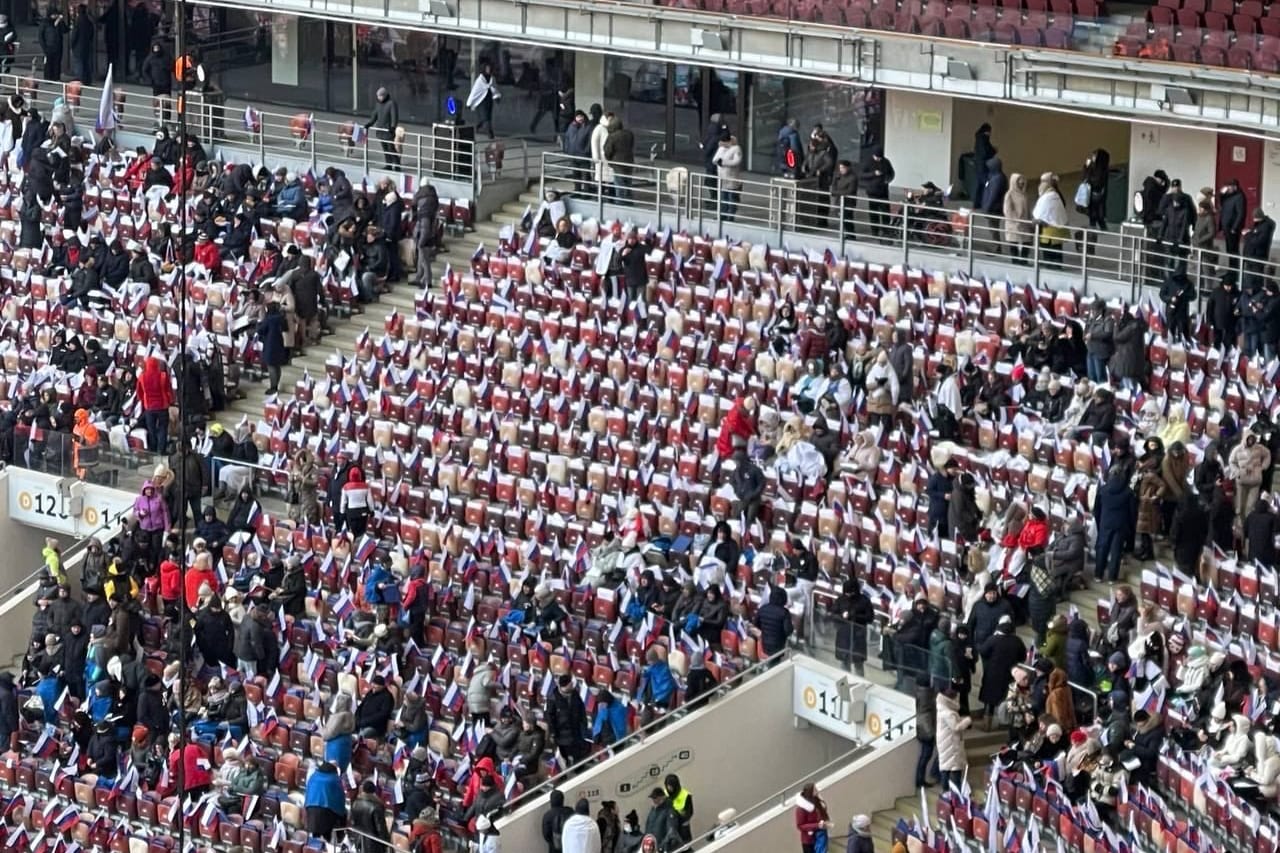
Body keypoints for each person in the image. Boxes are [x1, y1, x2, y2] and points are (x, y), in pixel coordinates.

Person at [546, 674, 589, 765]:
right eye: (571, 683)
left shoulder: (575, 693)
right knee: (565, 757)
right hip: (562, 735)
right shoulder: (553, 699)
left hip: (576, 731)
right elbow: (550, 717)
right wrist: (553, 733)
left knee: (579, 756)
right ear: (565, 685)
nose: (573, 684)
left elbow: (581, 709)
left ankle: (579, 769)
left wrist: (584, 723)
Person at [137, 356, 173, 453]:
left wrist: (143, 401)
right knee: (163, 428)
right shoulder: (163, 376)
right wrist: (170, 401)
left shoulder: (142, 377)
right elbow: (168, 390)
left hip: (149, 407)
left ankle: (153, 448)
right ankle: (161, 449)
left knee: (151, 429)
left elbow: (139, 392)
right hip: (163, 406)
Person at [1033, 172, 1069, 267]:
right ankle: (1056, 266)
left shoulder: (1048, 196)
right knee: (1056, 250)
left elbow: (1039, 213)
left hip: (1048, 231)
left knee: (1049, 252)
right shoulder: (1055, 194)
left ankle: (1052, 267)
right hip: (1056, 230)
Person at [304, 762, 347, 840]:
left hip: (311, 808)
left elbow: (307, 793)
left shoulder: (313, 777)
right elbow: (340, 798)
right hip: (326, 811)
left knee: (315, 836)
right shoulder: (334, 779)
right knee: (326, 835)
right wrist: (342, 813)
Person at [861, 148, 895, 239]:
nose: (878, 159)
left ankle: (886, 230)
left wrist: (887, 179)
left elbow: (891, 173)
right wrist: (873, 174)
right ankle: (875, 231)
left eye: (880, 158)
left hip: (883, 191)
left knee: (885, 212)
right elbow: (862, 174)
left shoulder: (886, 162)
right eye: (877, 157)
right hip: (872, 191)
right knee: (873, 213)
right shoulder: (868, 162)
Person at [364, 87, 401, 170]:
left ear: (384, 95)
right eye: (378, 96)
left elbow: (394, 116)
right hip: (381, 130)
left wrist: (393, 127)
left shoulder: (391, 103)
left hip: (388, 131)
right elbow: (375, 115)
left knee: (391, 148)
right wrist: (369, 124)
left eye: (380, 96)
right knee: (385, 149)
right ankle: (388, 164)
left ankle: (397, 165)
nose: (379, 98)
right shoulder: (378, 104)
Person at [712, 133, 744, 221]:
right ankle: (722, 214)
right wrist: (718, 162)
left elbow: (736, 161)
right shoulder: (721, 149)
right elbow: (714, 159)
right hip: (722, 178)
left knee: (731, 198)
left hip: (732, 178)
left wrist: (724, 162)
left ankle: (730, 216)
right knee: (723, 198)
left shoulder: (736, 149)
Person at [1003, 173, 1033, 261]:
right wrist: (1016, 219)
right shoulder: (1009, 195)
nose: (1021, 184)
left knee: (1027, 241)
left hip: (1025, 223)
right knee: (1014, 242)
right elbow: (1008, 210)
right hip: (1014, 224)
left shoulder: (1024, 194)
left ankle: (1024, 260)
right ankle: (1015, 260)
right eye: (1019, 183)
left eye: (1023, 183)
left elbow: (1027, 208)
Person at [794, 783, 831, 853]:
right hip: (809, 840)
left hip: (820, 835)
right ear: (810, 792)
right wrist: (818, 825)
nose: (817, 791)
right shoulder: (801, 809)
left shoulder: (816, 800)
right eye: (815, 790)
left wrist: (825, 823)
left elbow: (821, 814)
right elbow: (800, 825)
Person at [467, 63, 500, 140]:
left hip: (488, 101)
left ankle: (472, 131)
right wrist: (469, 103)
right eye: (487, 68)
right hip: (481, 102)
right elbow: (474, 92)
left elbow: (494, 89)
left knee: (484, 119)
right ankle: (491, 135)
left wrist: (496, 97)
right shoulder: (480, 80)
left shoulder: (492, 78)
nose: (489, 70)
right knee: (486, 119)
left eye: (490, 68)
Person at [1082, 148, 1111, 230]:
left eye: (1094, 156)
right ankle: (1100, 225)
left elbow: (1088, 178)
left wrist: (1086, 168)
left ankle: (1096, 225)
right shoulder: (1103, 167)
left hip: (1095, 193)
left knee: (1094, 210)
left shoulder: (1098, 169)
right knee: (1098, 210)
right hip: (1100, 193)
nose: (1092, 157)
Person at [340, 468, 372, 536]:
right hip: (363, 511)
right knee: (362, 532)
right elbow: (370, 500)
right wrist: (372, 510)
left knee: (352, 533)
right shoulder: (366, 486)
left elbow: (343, 502)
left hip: (351, 512)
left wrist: (342, 512)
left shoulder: (345, 487)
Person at [1220, 178, 1246, 257]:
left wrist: (1234, 228)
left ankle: (1234, 268)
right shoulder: (1228, 195)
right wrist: (1221, 194)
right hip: (1226, 227)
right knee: (1229, 249)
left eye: (1229, 187)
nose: (1227, 188)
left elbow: (1240, 213)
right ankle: (1231, 268)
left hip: (1232, 228)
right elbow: (1222, 204)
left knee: (1233, 249)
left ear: (1235, 187)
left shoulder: (1239, 197)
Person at [664, 775, 693, 845]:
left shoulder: (685, 795)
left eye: (671, 786)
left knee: (685, 848)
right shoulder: (665, 794)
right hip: (669, 828)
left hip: (682, 828)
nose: (669, 788)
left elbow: (689, 813)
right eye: (667, 786)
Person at [40, 12, 69, 82]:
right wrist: (44, 47)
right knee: (48, 63)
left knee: (57, 62)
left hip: (58, 46)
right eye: (54, 15)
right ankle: (48, 77)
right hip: (49, 46)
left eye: (57, 15)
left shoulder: (59, 23)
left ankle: (56, 77)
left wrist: (61, 22)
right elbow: (41, 36)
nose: (55, 16)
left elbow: (65, 30)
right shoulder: (45, 23)